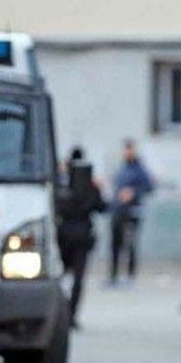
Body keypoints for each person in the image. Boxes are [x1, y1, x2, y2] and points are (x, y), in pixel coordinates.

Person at [55, 147, 107, 328]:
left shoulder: (61, 186)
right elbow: (102, 207)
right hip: (82, 237)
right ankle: (70, 315)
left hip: (62, 236)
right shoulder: (90, 187)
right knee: (78, 279)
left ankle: (58, 314)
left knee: (58, 277)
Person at [108, 139, 154, 285]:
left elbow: (149, 186)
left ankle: (130, 275)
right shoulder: (122, 168)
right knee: (116, 243)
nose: (128, 152)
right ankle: (114, 275)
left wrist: (133, 193)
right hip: (118, 210)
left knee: (130, 244)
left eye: (130, 149)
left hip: (132, 211)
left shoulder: (139, 169)